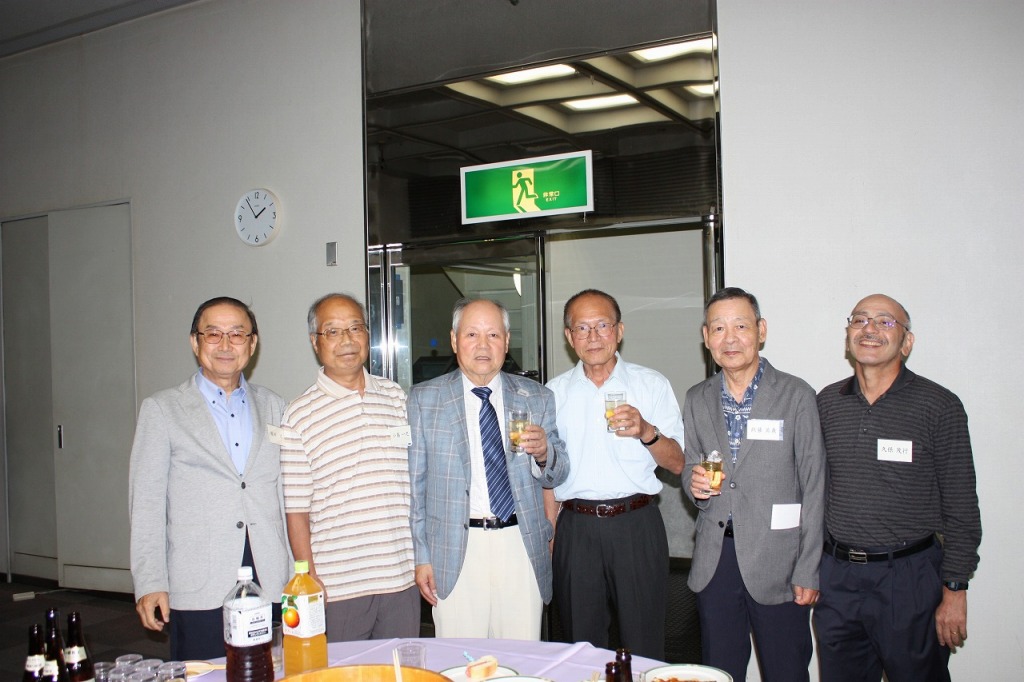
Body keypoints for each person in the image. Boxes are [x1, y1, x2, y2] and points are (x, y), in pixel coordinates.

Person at [814, 294, 981, 681]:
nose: (869, 329)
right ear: (848, 336)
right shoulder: (827, 403)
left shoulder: (939, 406)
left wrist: (955, 589)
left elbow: (961, 507)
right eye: (859, 320)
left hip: (908, 579)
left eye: (885, 322)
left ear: (907, 342)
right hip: (838, 579)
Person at [129, 296, 290, 660]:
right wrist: (150, 581)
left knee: (272, 671)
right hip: (200, 580)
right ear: (195, 341)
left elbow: (285, 494)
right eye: (213, 334)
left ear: (252, 343)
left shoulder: (275, 406)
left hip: (268, 574)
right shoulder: (162, 409)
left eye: (237, 334)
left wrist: (298, 573)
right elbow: (147, 504)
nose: (225, 344)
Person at [684, 287, 824, 681]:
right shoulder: (697, 397)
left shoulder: (796, 395)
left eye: (741, 326)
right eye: (718, 328)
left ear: (761, 331)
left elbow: (815, 484)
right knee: (718, 671)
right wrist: (694, 484)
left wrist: (808, 569)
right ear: (706, 336)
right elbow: (692, 464)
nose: (729, 338)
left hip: (779, 559)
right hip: (716, 559)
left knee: (785, 671)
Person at [407, 297, 569, 639]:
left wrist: (544, 454)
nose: (483, 345)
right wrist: (422, 556)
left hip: (520, 544)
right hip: (455, 550)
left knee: (521, 657)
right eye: (472, 334)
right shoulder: (424, 399)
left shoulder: (536, 397)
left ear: (506, 342)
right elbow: (414, 488)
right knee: (460, 659)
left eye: (493, 335)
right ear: (454, 341)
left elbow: (558, 473)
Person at [546, 288, 685, 660]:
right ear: (569, 336)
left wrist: (646, 431)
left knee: (643, 642)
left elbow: (677, 462)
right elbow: (545, 473)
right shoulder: (553, 393)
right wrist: (551, 532)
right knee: (580, 646)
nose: (593, 336)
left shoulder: (650, 384)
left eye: (603, 325)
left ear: (619, 331)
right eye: (582, 328)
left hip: (636, 524)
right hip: (576, 528)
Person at [278, 293, 419, 640]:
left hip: (401, 577)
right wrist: (308, 577)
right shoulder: (298, 415)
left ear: (367, 335)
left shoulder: (396, 397)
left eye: (355, 328)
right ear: (315, 342)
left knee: (400, 667)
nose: (347, 340)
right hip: (337, 586)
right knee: (341, 669)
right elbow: (296, 510)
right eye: (333, 331)